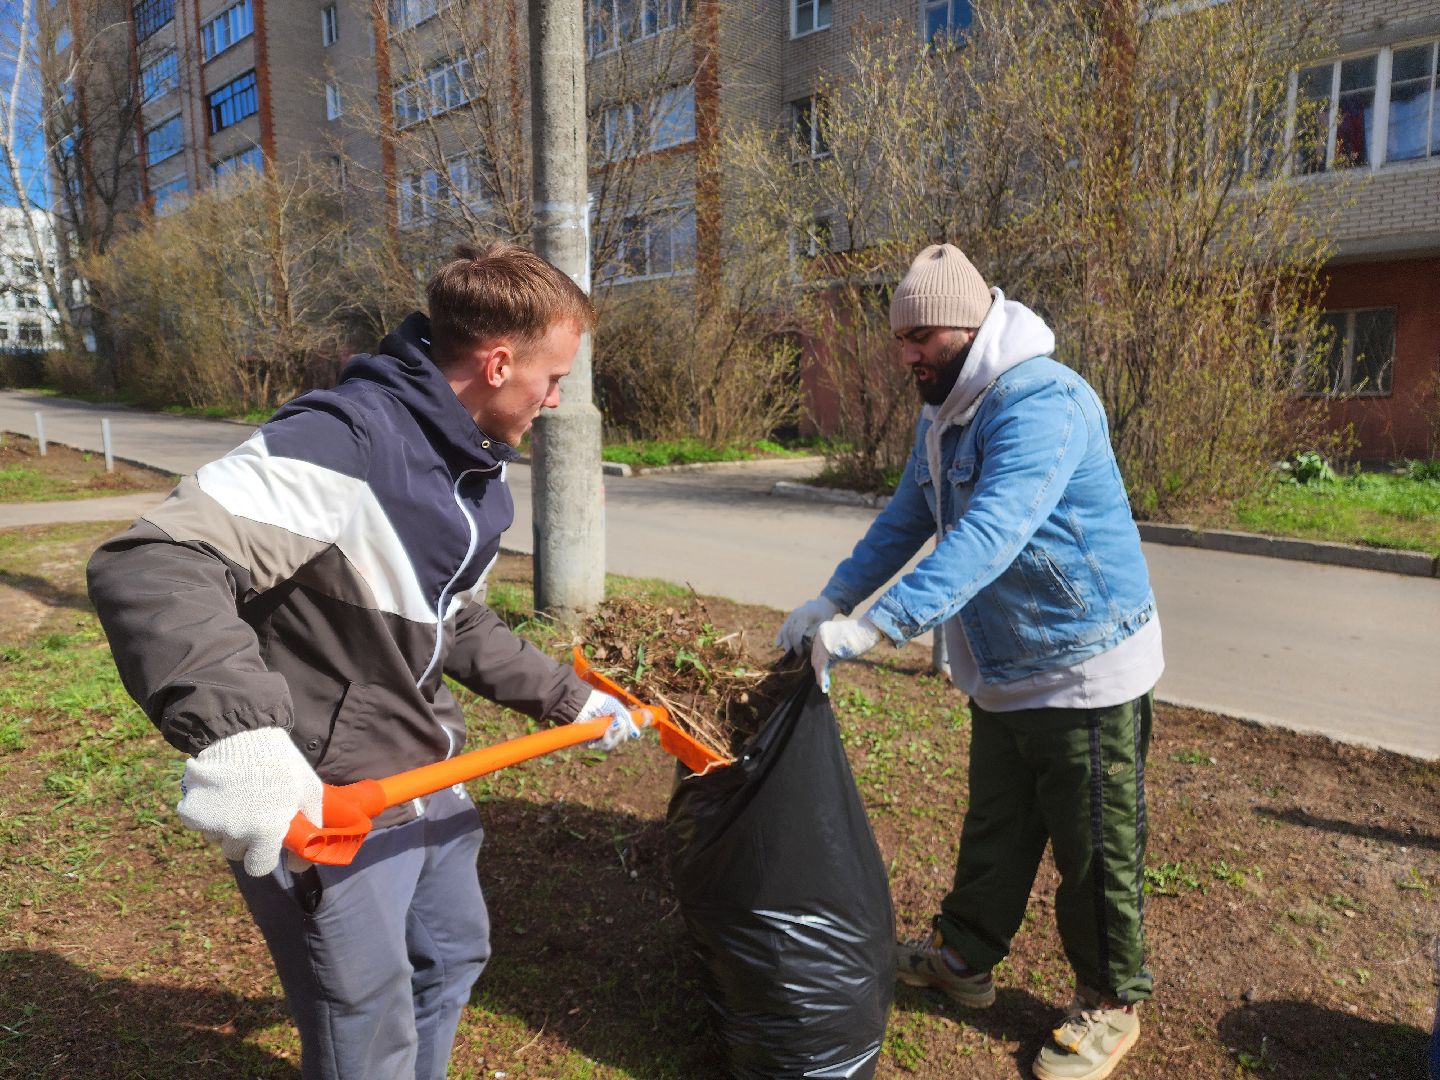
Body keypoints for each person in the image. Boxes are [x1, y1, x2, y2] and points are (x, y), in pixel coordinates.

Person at [87, 241, 641, 1080]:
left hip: (429, 778)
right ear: (498, 362)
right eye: (554, 377)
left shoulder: (472, 477)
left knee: (450, 960)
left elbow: (448, 617)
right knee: (365, 1019)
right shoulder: (345, 437)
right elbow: (153, 562)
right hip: (335, 798)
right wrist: (239, 736)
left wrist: (568, 700)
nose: (557, 398)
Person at [776, 243, 1163, 1080]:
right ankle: (965, 959)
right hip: (1009, 662)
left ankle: (1110, 1000)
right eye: (901, 338)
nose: (908, 353)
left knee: (1094, 844)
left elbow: (992, 532)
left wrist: (881, 625)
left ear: (973, 322)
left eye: (923, 335)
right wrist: (834, 601)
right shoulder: (945, 408)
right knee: (996, 823)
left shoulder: (1044, 403)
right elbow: (907, 517)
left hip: (1085, 663)